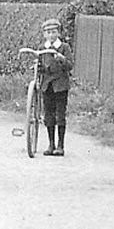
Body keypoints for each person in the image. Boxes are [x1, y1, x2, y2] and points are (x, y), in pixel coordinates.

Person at [38, 18, 74, 157]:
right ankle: (51, 144)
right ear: (44, 34)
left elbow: (70, 65)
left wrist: (61, 58)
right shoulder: (42, 48)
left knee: (60, 115)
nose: (51, 35)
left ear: (58, 33)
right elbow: (40, 65)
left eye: (53, 32)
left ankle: (60, 145)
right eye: (48, 32)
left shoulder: (64, 47)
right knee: (49, 115)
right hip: (47, 86)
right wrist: (37, 67)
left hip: (60, 85)